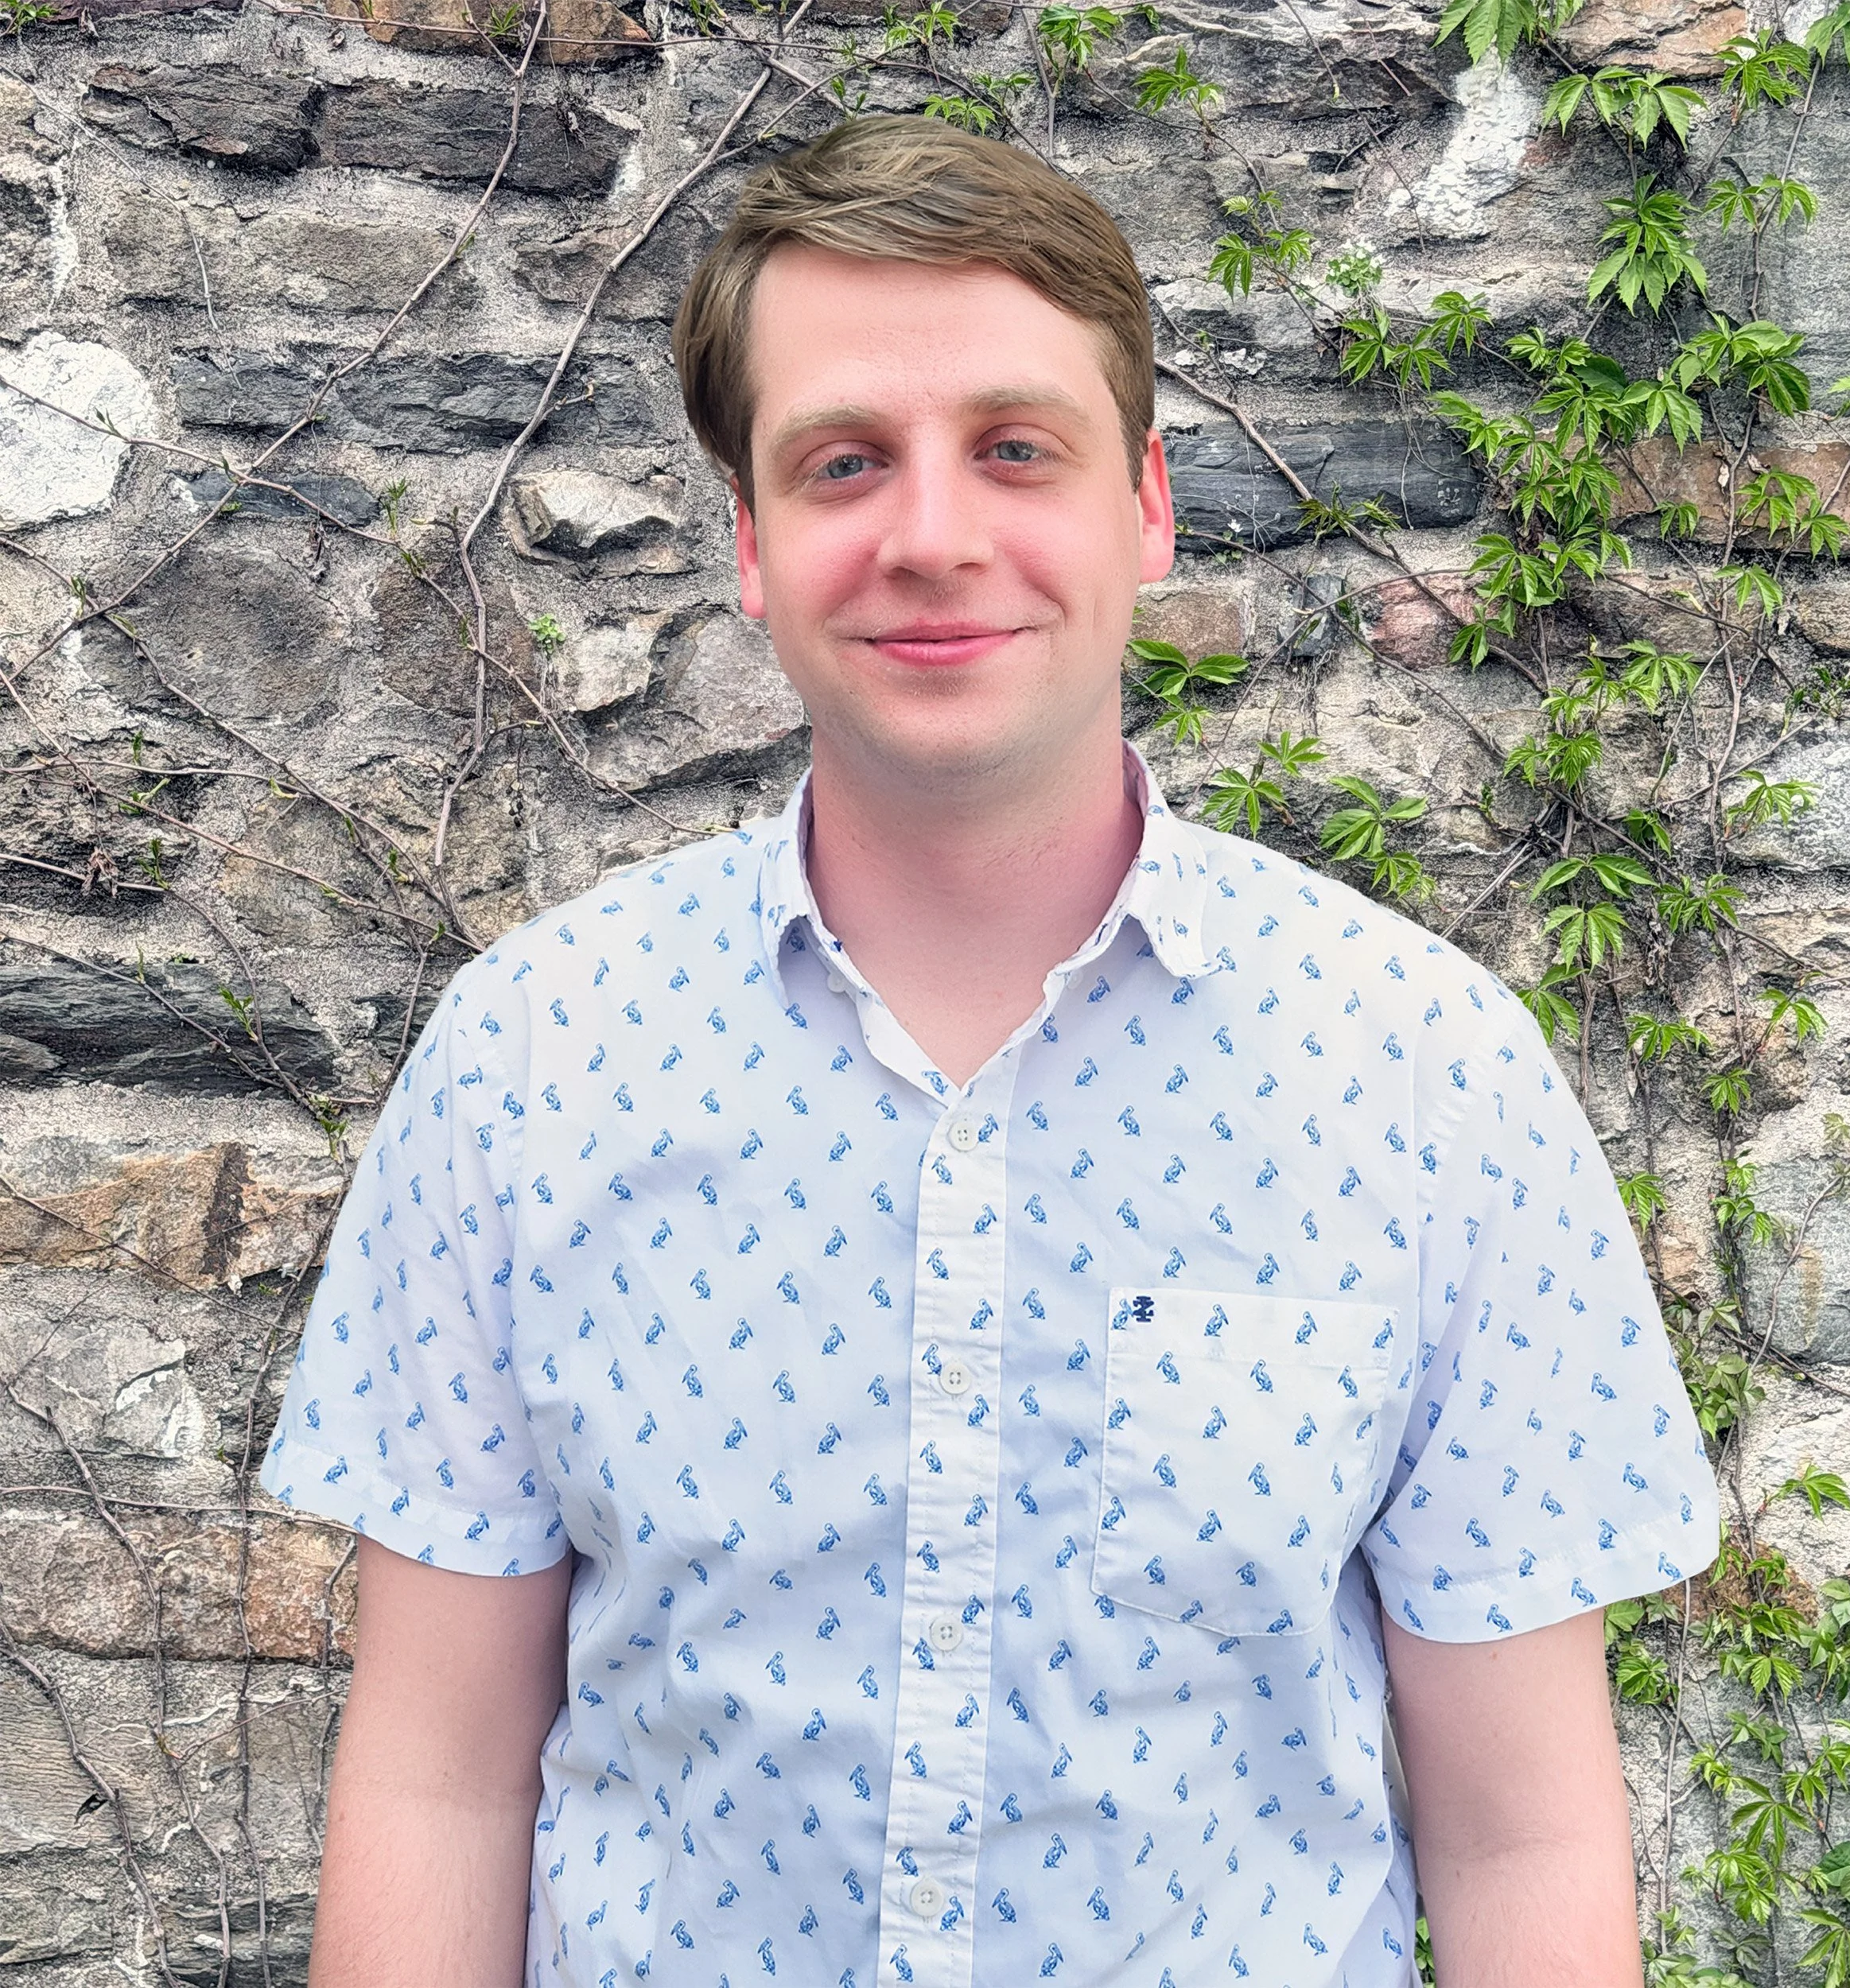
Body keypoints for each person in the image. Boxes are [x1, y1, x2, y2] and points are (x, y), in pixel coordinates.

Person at [264, 115, 1716, 1988]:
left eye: (1015, 448)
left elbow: (1523, 1841)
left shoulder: (1429, 1077)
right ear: (751, 545)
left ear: (1145, 507)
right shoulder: (528, 1065)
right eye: (843, 461)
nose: (934, 536)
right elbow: (438, 1782)